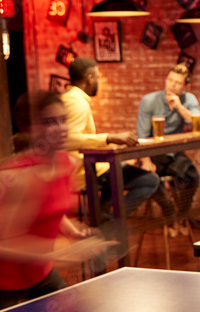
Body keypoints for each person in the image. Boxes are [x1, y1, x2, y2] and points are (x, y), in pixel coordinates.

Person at [0, 92, 115, 312]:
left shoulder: (67, 164)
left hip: (38, 274)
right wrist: (62, 252)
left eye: (63, 120)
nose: (61, 128)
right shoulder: (14, 177)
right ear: (30, 129)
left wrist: (73, 232)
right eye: (49, 122)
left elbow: (49, 208)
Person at [61, 57, 160, 217]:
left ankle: (103, 218)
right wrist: (110, 138)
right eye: (97, 78)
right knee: (150, 180)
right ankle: (111, 224)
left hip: (88, 167)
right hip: (83, 171)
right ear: (89, 78)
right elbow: (67, 140)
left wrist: (108, 144)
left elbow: (76, 138)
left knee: (117, 171)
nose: (98, 82)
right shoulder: (76, 102)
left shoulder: (68, 98)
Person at [136, 64, 200, 237]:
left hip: (174, 153)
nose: (172, 85)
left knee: (193, 177)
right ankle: (169, 215)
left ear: (185, 86)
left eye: (178, 83)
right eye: (170, 80)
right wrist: (145, 160)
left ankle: (182, 217)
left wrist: (180, 107)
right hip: (153, 152)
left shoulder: (188, 99)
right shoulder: (149, 101)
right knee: (150, 180)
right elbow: (142, 136)